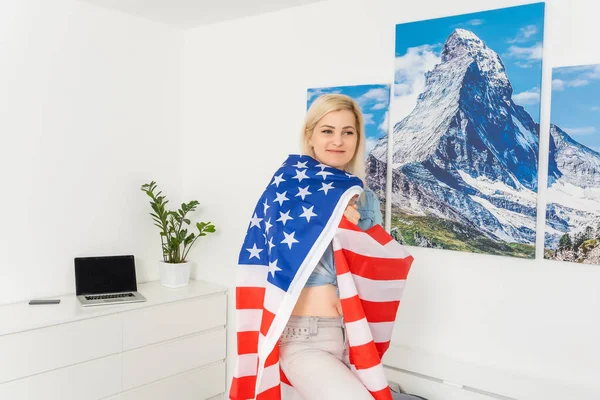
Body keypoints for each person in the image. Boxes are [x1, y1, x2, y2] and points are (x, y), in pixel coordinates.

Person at [277, 93, 385, 399]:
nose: (338, 141)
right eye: (327, 131)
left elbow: (370, 270)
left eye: (347, 132)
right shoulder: (287, 189)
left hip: (351, 335)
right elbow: (281, 257)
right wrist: (332, 218)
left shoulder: (366, 199)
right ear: (310, 136)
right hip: (302, 335)